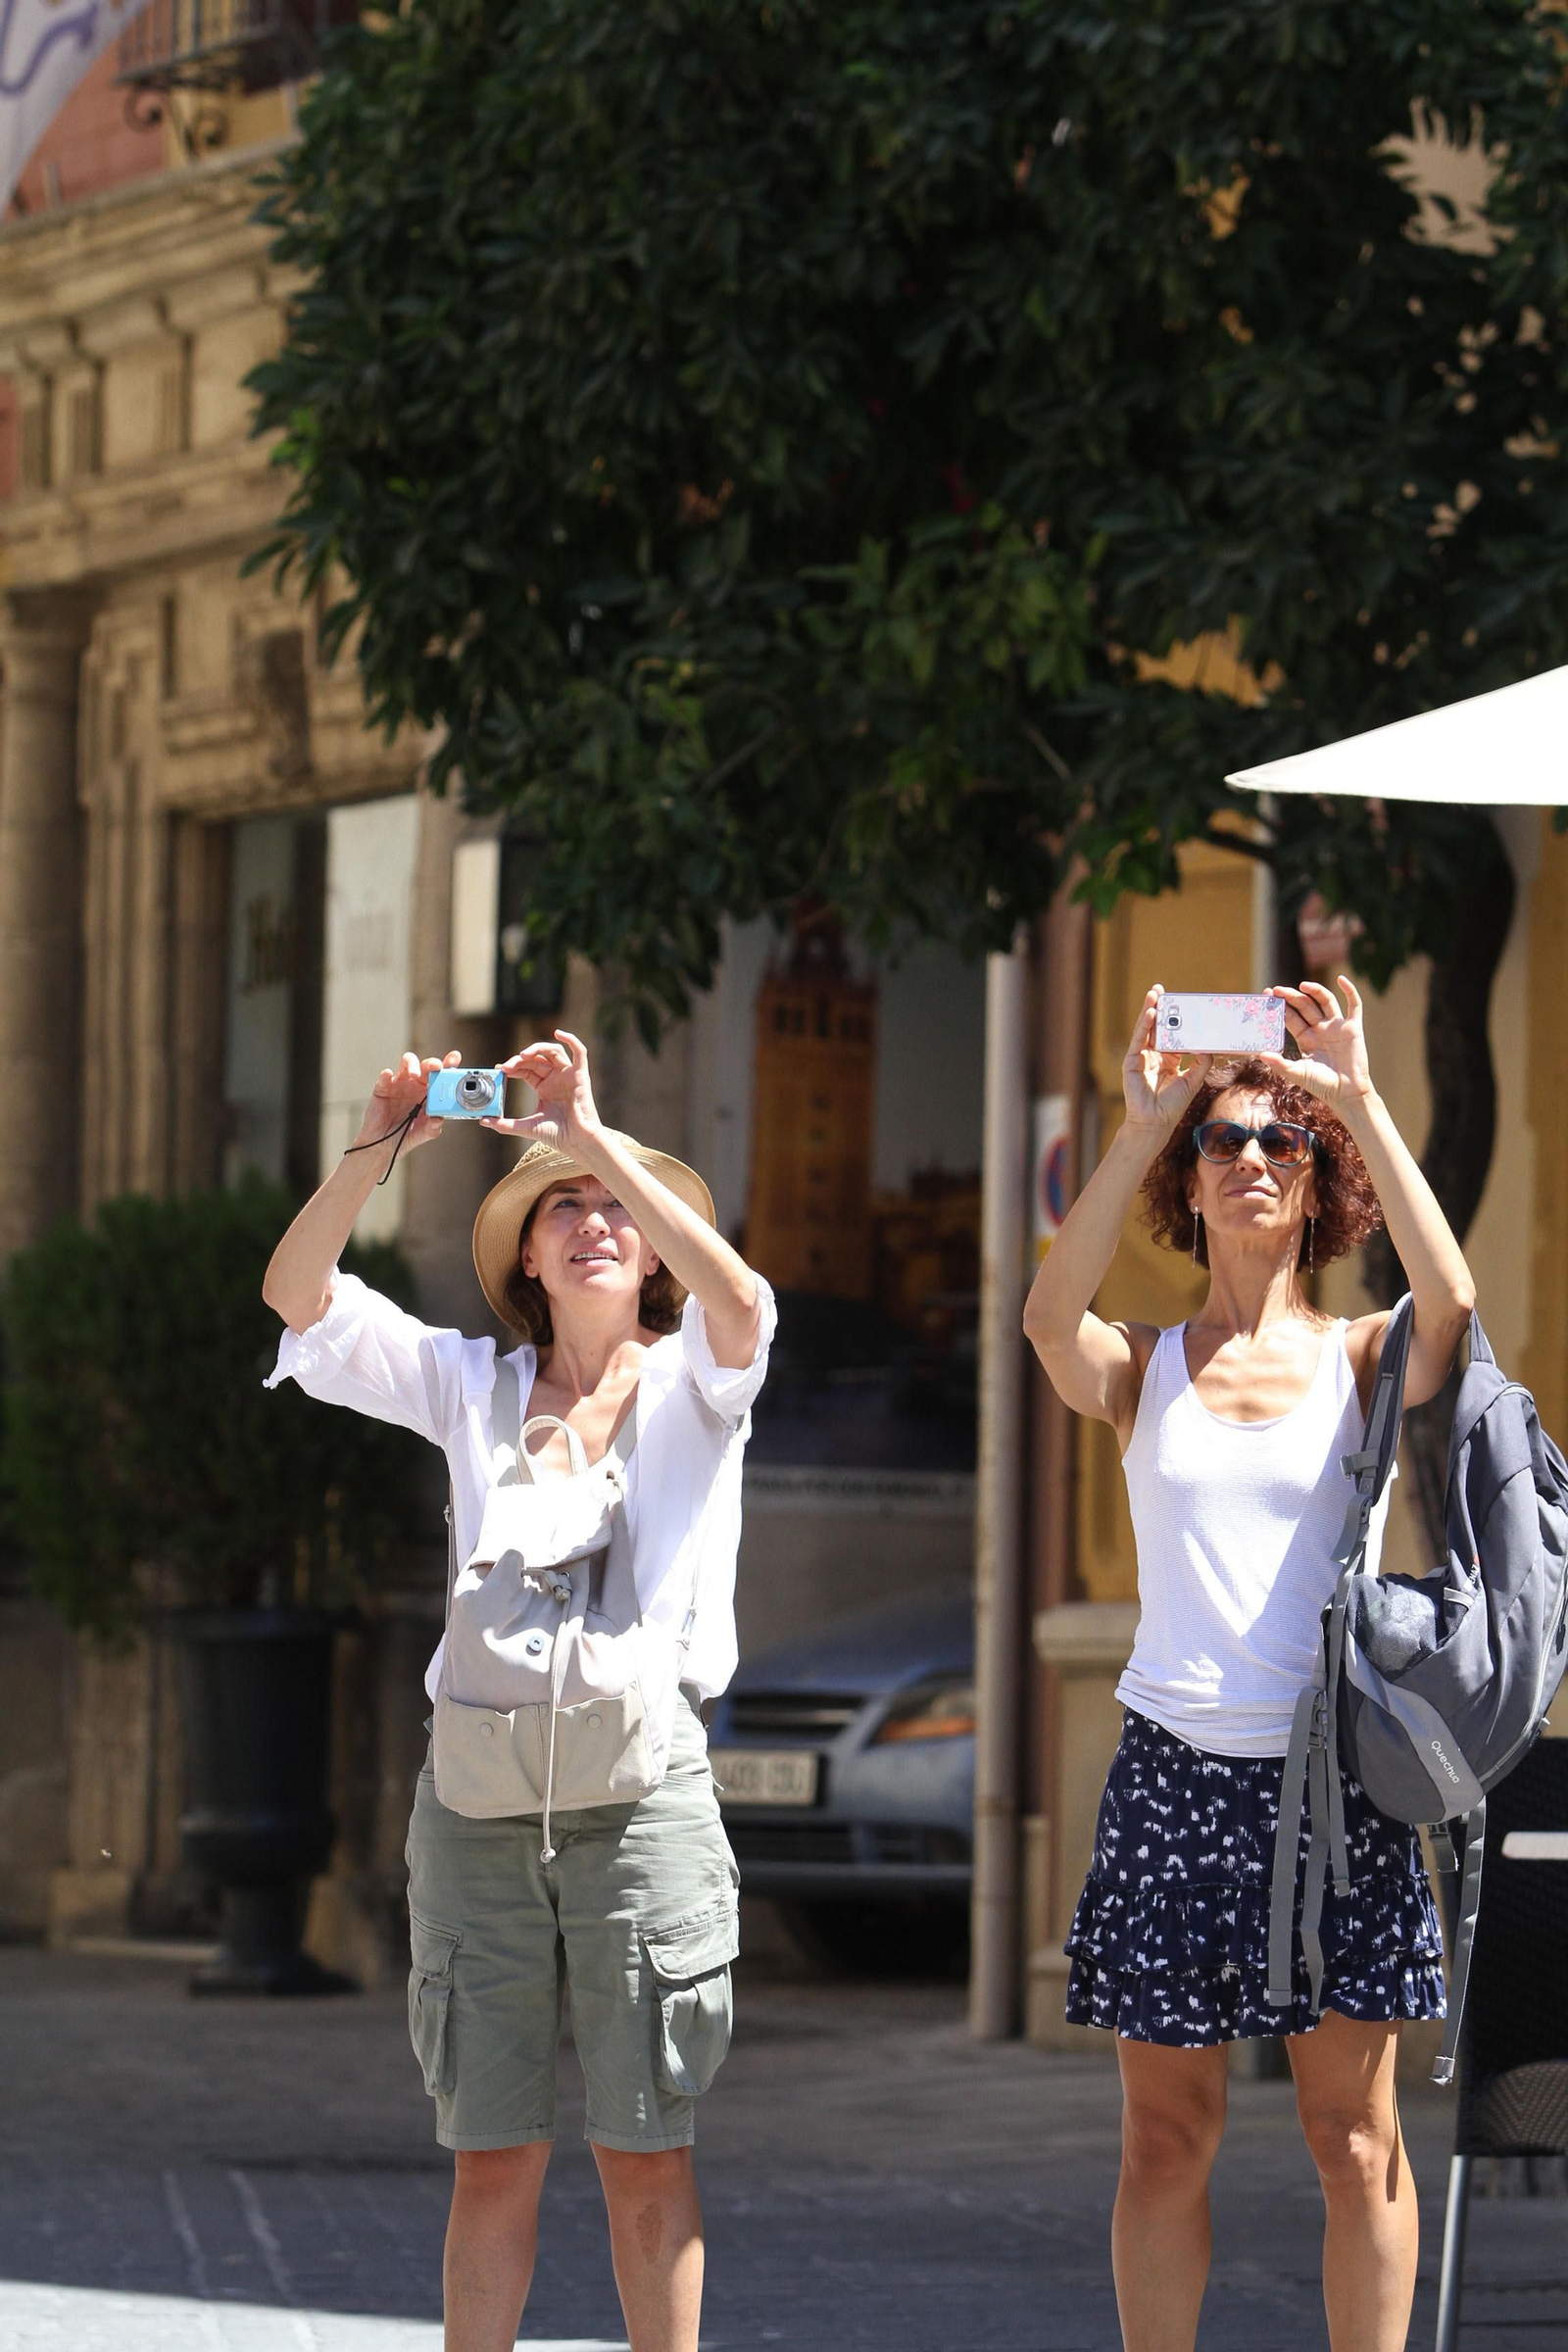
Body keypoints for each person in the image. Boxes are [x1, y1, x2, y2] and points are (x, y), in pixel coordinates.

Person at [262, 1028, 772, 2352]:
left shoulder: (695, 1387)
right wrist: (375, 1152)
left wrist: (590, 1133)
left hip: (642, 1795)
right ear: (528, 1261)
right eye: (565, 1210)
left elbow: (749, 1309)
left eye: (617, 1212)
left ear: (651, 1252)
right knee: (492, 2157)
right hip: (479, 1803)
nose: (596, 1224)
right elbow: (299, 1295)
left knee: (642, 2152)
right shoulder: (468, 1383)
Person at [1023, 977, 1475, 2352]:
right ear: (1194, 1181)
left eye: (1283, 1144)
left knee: (1355, 2138)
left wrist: (1357, 1092)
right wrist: (1143, 1116)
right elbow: (1049, 1319)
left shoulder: (1363, 1354)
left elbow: (1451, 1296)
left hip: (1337, 1785)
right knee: (1168, 2140)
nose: (1255, 1161)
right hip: (1170, 1775)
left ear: (1317, 1182)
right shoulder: (1144, 1363)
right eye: (1226, 1142)